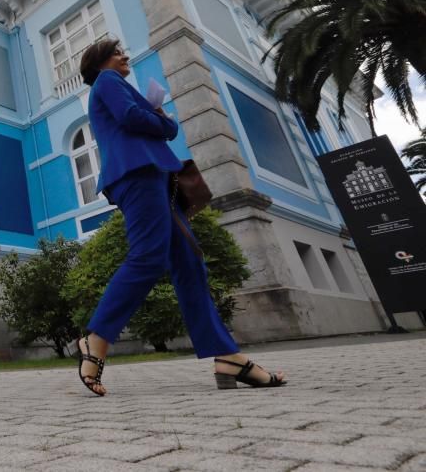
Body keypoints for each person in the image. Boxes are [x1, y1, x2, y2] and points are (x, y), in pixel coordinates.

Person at [74, 39, 286, 396]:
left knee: (189, 263)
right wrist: (160, 118)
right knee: (148, 256)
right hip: (137, 174)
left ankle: (227, 357)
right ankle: (95, 338)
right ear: (99, 62)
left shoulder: (116, 86)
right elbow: (136, 119)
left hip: (153, 175)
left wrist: (161, 122)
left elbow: (167, 129)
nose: (125, 56)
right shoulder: (108, 82)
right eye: (116, 53)